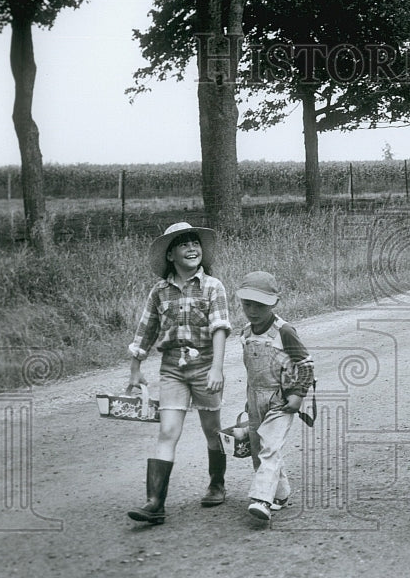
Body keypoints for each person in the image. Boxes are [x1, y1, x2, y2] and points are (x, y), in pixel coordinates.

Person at [126, 221, 231, 525]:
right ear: (170, 255)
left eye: (195, 243)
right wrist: (135, 368)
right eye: (183, 244)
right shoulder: (159, 291)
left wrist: (216, 368)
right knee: (168, 431)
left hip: (204, 368)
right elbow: (145, 330)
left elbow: (220, 329)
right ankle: (155, 503)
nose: (191, 248)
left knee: (212, 430)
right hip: (172, 368)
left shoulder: (213, 286)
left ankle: (216, 483)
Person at [236, 271, 314, 522]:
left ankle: (261, 499)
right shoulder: (246, 332)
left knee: (270, 448)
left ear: (274, 303)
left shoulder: (285, 331)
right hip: (255, 398)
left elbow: (305, 363)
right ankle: (280, 494)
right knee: (259, 449)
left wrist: (299, 394)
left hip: (281, 400)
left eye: (260, 305)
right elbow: (252, 371)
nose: (253, 310)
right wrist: (250, 401)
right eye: (247, 304)